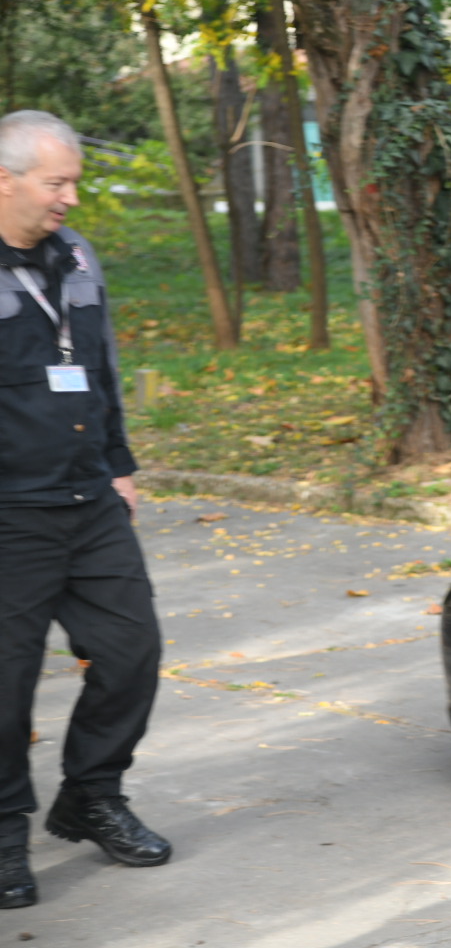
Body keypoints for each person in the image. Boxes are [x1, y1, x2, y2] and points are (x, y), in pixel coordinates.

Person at [0, 110, 170, 911]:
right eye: (55, 182)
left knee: (131, 651)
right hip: (9, 513)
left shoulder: (76, 256)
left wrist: (122, 467)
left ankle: (92, 795)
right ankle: (4, 832)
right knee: (5, 687)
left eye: (73, 180)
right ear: (6, 179)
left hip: (89, 497)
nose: (70, 196)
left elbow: (97, 365)